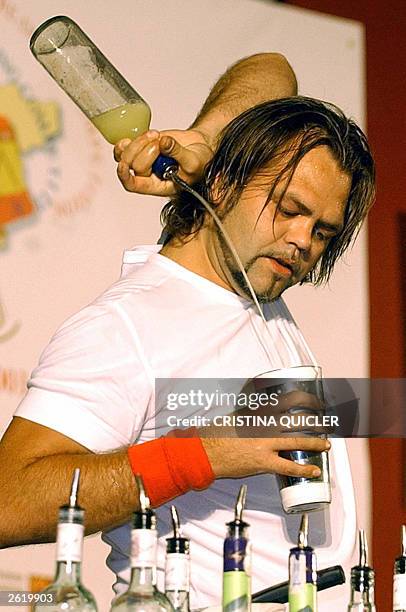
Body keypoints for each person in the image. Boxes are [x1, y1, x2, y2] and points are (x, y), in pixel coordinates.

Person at [0, 52, 375, 610]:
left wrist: (204, 140)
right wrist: (203, 453)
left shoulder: (255, 292)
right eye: (289, 208)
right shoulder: (128, 323)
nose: (302, 240)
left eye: (323, 230)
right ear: (223, 185)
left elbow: (271, 68)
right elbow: (8, 501)